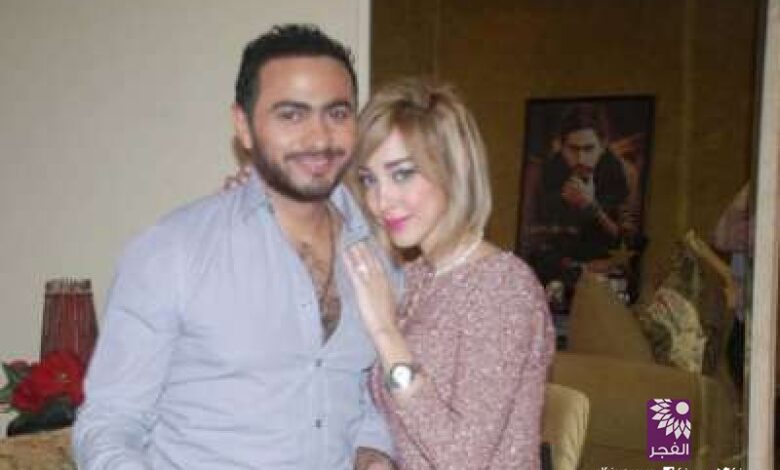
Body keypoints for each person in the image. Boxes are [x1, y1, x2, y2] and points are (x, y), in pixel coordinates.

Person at [72, 24, 398, 470]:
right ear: (243, 126)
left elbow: (366, 398)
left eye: (337, 113)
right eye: (292, 115)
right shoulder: (173, 252)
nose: (320, 138)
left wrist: (374, 450)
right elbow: (110, 423)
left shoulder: (382, 256)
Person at [342, 78, 555, 469]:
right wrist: (375, 455)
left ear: (453, 170)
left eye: (402, 173)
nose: (380, 200)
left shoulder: (503, 288)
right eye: (369, 179)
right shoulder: (417, 276)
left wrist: (385, 332)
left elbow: (462, 457)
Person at [527, 103, 640, 295]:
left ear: (602, 145)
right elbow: (531, 238)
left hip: (606, 283)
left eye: (589, 149)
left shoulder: (622, 174)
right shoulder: (547, 173)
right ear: (561, 147)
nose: (580, 159)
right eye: (573, 149)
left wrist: (592, 207)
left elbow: (629, 242)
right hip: (555, 278)